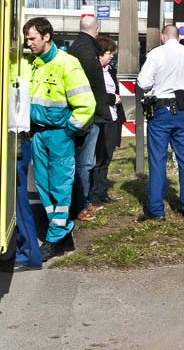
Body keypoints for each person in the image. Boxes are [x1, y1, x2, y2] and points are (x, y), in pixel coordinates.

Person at [23, 17, 96, 261]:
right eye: (27, 38)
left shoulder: (67, 64)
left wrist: (68, 131)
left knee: (60, 188)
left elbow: (86, 105)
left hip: (58, 136)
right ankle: (63, 236)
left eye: (32, 38)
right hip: (39, 134)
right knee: (44, 186)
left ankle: (55, 238)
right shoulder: (34, 64)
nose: (28, 43)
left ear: (47, 37)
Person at [136, 24, 184, 221]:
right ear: (178, 36)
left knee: (157, 160)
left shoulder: (156, 54)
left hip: (161, 112)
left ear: (163, 36)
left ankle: (156, 210)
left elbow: (144, 83)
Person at [68, 15, 110, 222]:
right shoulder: (87, 52)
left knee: (82, 161)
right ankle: (81, 205)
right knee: (85, 162)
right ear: (97, 29)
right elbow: (92, 87)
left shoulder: (77, 48)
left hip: (82, 113)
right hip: (88, 115)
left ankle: (81, 203)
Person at [5, 63, 42, 271]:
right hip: (16, 136)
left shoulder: (17, 67)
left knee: (18, 200)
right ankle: (19, 251)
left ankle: (29, 254)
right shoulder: (20, 64)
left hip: (16, 137)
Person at [88, 35, 126, 207]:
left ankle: (102, 192)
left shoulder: (111, 70)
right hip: (101, 119)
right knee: (98, 158)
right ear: (100, 54)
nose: (111, 56)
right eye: (109, 52)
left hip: (113, 118)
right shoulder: (93, 72)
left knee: (107, 157)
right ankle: (93, 194)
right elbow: (97, 94)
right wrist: (112, 98)